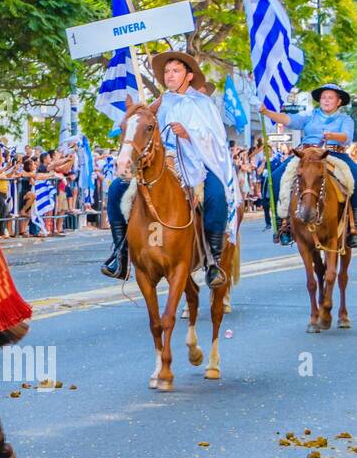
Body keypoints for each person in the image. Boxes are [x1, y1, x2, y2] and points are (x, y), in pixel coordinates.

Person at [102, 52, 236, 287]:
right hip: (163, 164)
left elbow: (218, 139)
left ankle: (213, 261)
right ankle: (120, 255)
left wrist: (189, 134)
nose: (170, 75)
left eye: (175, 70)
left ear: (189, 75)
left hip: (197, 164)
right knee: (115, 191)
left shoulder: (203, 103)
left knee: (216, 195)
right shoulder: (160, 103)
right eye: (167, 71)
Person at [261, 83, 357, 246]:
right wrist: (266, 112)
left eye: (330, 97)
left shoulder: (345, 119)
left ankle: (354, 225)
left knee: (355, 176)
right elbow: (288, 120)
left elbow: (346, 137)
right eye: (323, 97)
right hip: (306, 154)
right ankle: (283, 224)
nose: (326, 100)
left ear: (339, 101)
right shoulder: (310, 115)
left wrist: (332, 135)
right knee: (276, 177)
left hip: (333, 154)